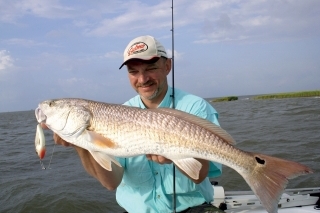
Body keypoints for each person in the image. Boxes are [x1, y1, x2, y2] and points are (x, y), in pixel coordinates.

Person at [46, 35, 222, 213]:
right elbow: (111, 183)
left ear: (167, 66)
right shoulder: (117, 116)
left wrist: (176, 157)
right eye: (133, 72)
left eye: (151, 68)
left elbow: (199, 175)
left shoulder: (194, 106)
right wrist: (81, 143)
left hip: (193, 208)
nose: (143, 79)